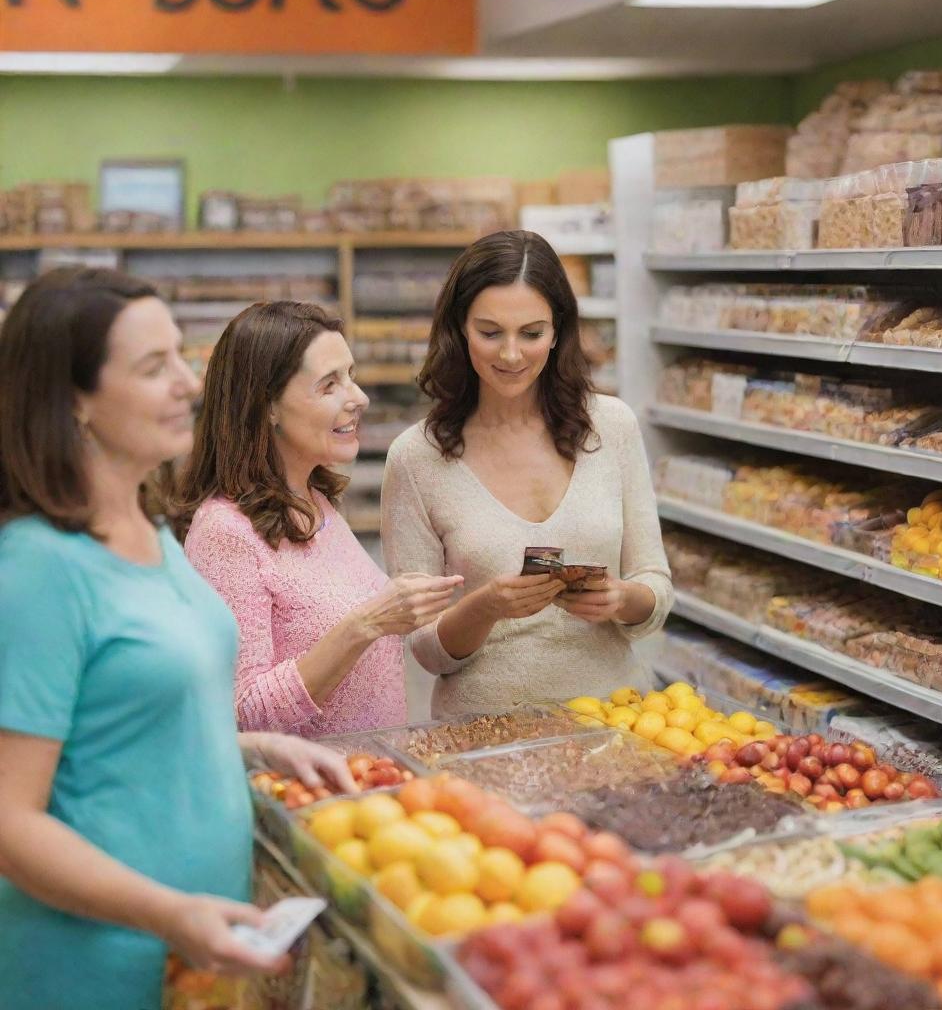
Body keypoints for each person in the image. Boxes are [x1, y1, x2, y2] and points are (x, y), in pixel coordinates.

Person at [0, 267, 360, 1010]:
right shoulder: (38, 568)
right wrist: (168, 913)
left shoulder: (148, 529)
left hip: (196, 950)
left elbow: (116, 726)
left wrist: (252, 747)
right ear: (73, 400)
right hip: (94, 963)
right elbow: (10, 820)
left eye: (181, 358)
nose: (189, 386)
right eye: (152, 366)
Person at [381, 229, 673, 717]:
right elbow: (425, 650)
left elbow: (656, 587)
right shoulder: (416, 458)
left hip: (617, 726)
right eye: (490, 333)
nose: (511, 355)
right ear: (459, 328)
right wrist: (485, 607)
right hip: (481, 739)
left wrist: (621, 599)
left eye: (531, 333)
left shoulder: (612, 427)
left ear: (558, 331)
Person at [175, 301, 462, 736]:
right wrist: (366, 624)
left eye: (351, 376)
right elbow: (240, 718)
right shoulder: (224, 533)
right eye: (330, 385)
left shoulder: (315, 500)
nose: (359, 398)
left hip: (369, 787)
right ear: (266, 406)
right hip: (306, 797)